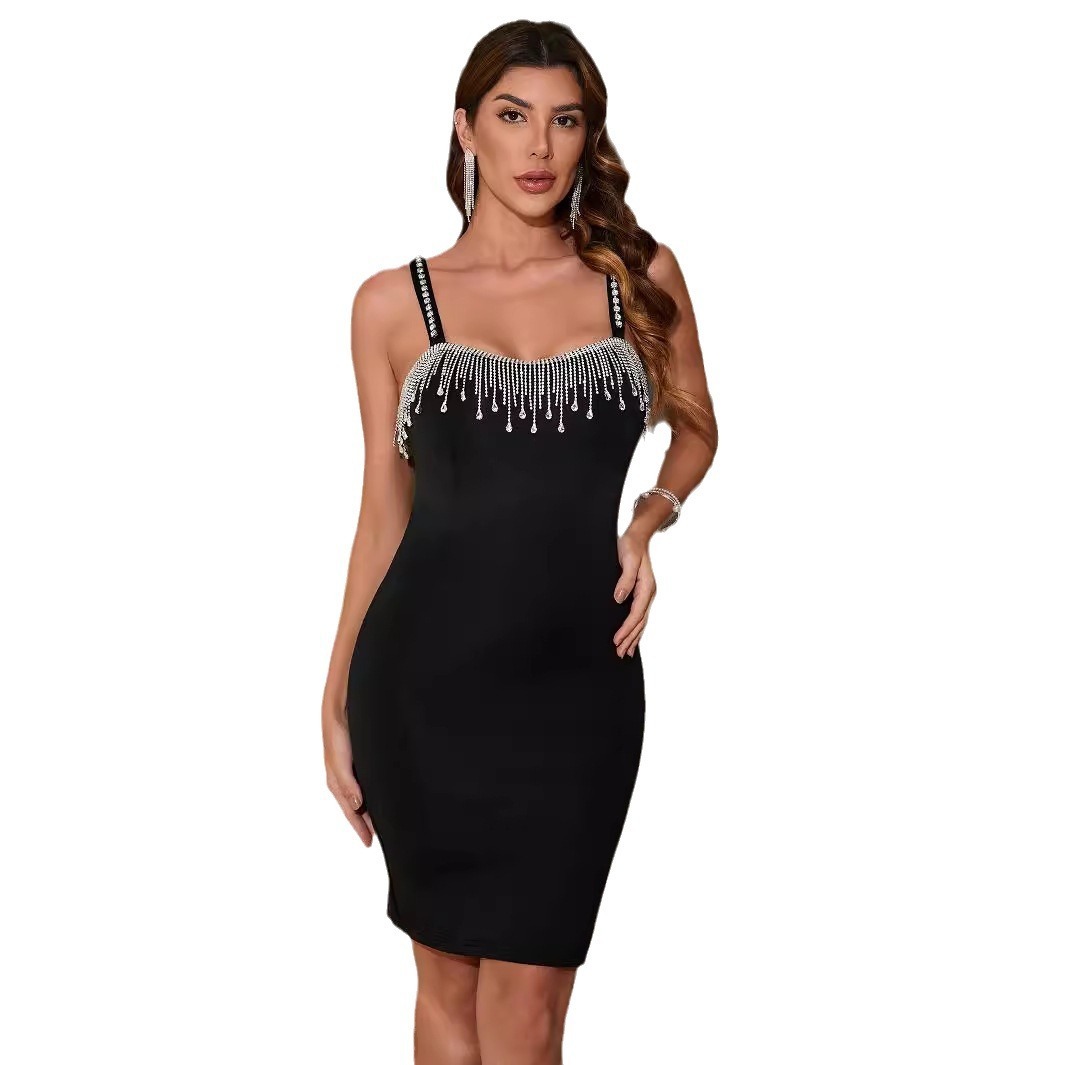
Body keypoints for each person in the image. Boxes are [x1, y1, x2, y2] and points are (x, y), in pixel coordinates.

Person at [321, 20, 717, 1064]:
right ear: (466, 129)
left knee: (530, 1011)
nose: (539, 146)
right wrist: (332, 697)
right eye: (512, 116)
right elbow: (382, 513)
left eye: (565, 120)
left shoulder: (638, 276)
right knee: (446, 992)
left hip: (578, 686)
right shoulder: (390, 304)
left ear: (589, 136)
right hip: (420, 687)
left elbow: (697, 429)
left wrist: (650, 518)